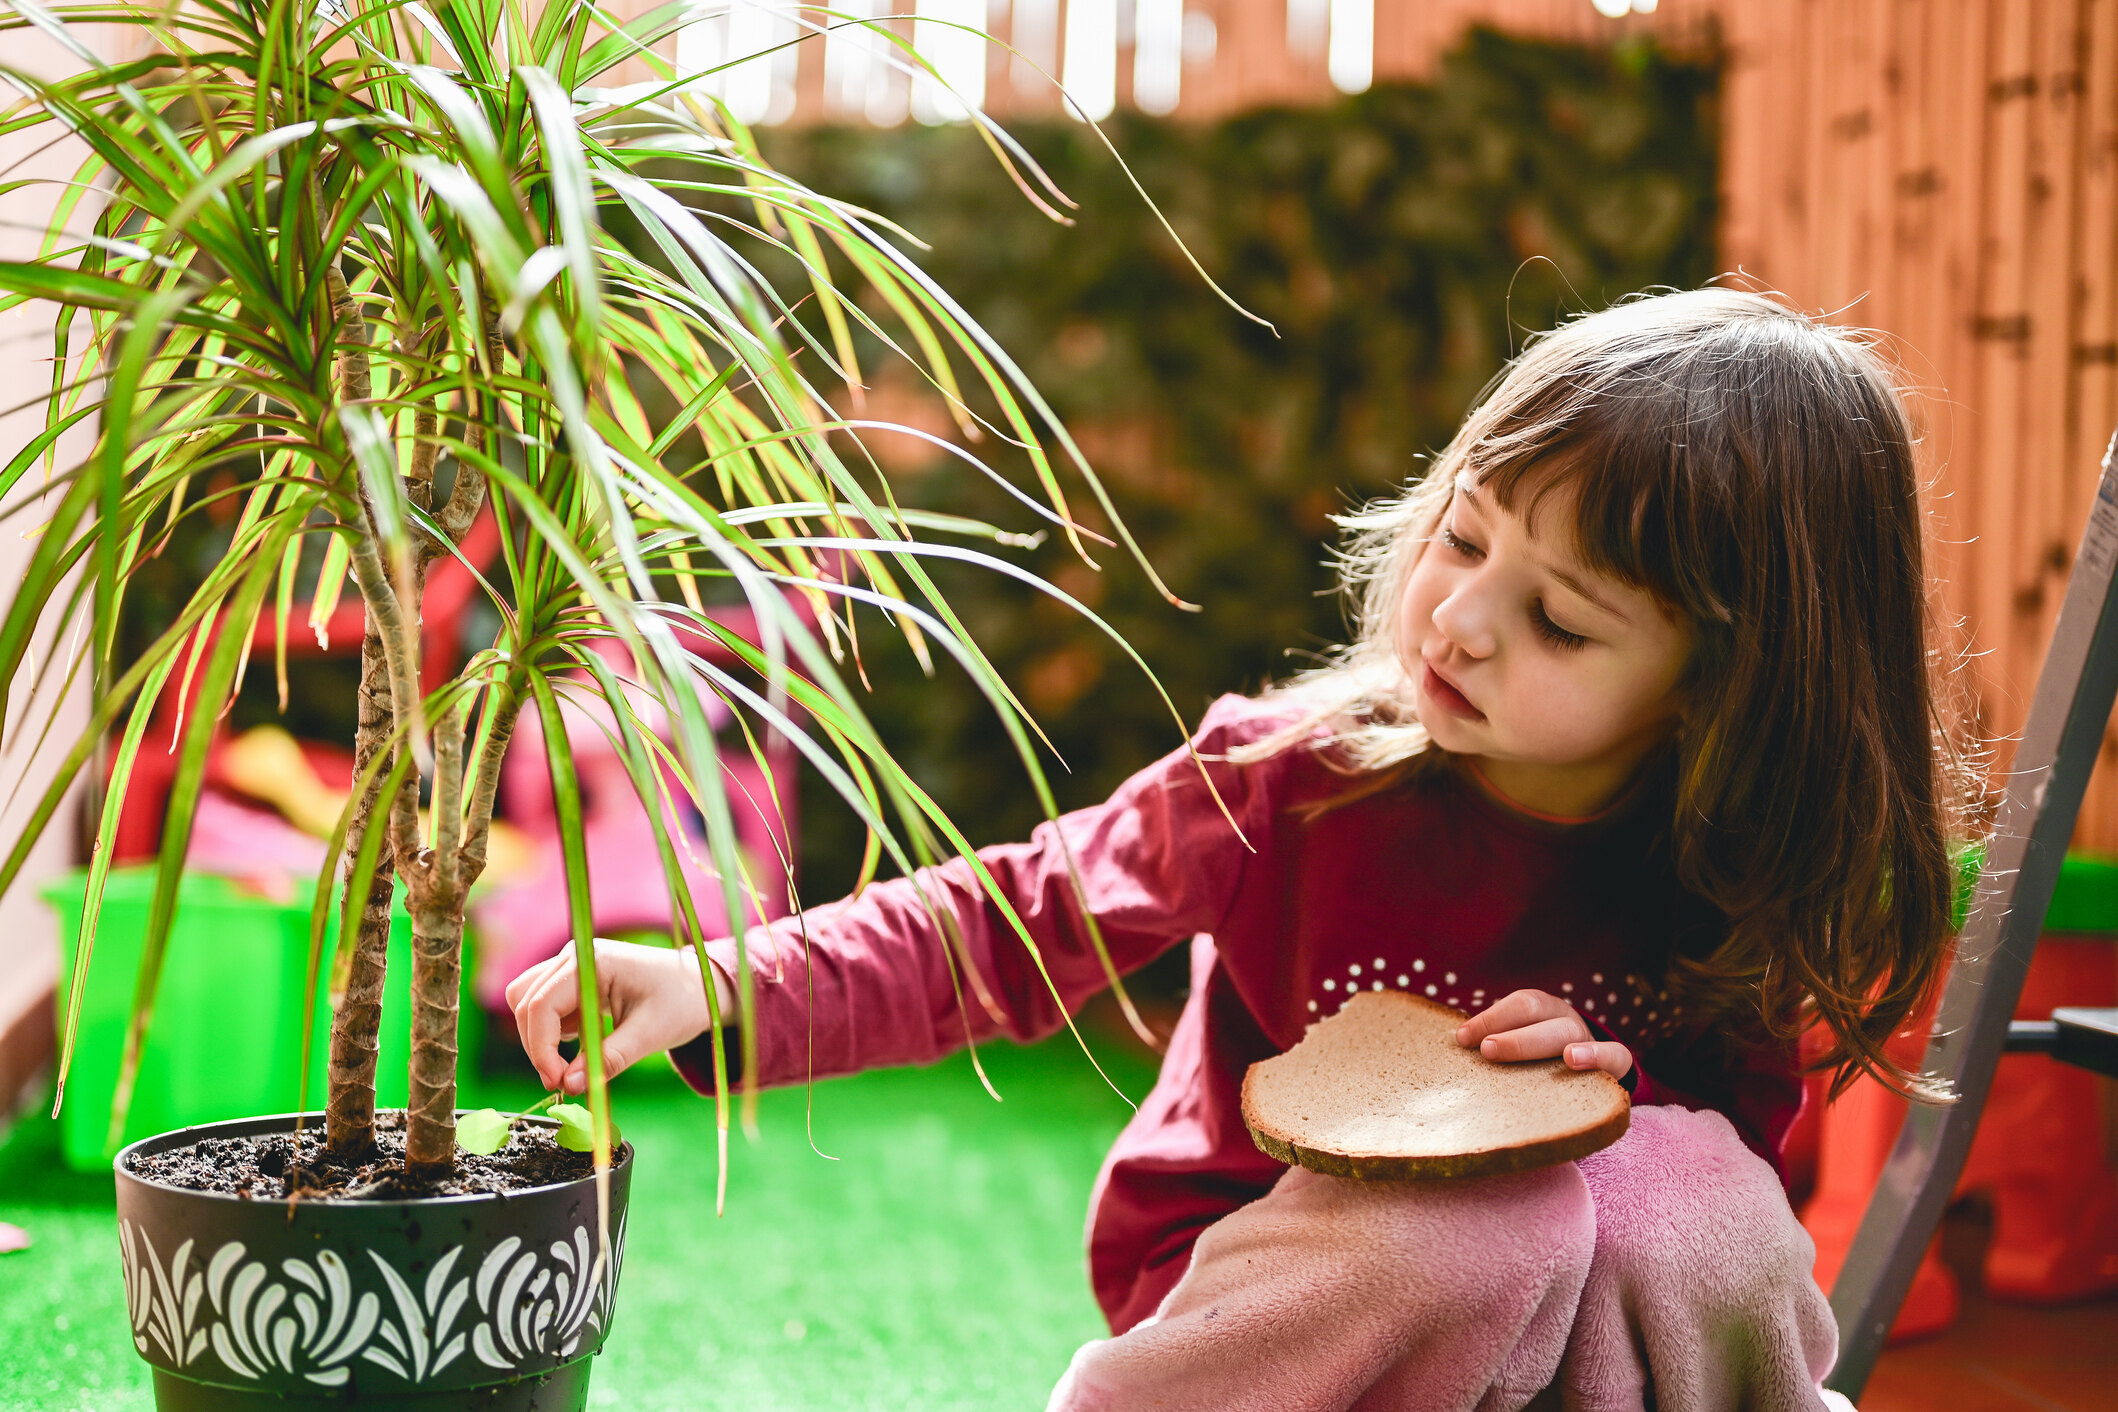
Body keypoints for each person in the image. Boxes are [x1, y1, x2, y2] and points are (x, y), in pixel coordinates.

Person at [506, 288, 1973, 1411]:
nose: (1458, 621)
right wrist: (723, 980)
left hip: (1545, 1310)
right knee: (1477, 1231)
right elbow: (1017, 917)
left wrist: (1617, 1086)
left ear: (1721, 688)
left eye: (1560, 620)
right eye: (1463, 543)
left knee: (1690, 1199)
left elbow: (1734, 1153)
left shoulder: (1723, 860)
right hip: (1261, 1290)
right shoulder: (1289, 779)